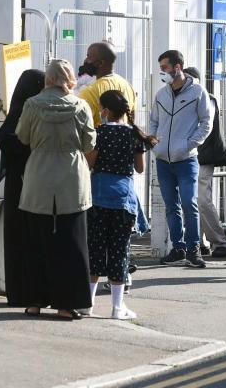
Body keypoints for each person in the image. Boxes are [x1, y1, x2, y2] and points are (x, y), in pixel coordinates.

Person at [16, 59, 96, 320]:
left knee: (36, 242)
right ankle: (66, 305)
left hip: (39, 173)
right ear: (70, 78)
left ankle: (34, 302)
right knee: (71, 244)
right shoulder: (81, 105)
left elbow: (23, 137)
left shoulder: (31, 104)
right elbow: (88, 143)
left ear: (47, 79)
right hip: (71, 177)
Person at [85, 90, 148, 320]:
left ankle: (88, 304)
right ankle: (117, 307)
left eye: (101, 108)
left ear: (107, 111)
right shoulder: (134, 134)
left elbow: (90, 162)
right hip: (123, 199)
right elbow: (139, 168)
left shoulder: (100, 132)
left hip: (98, 196)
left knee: (95, 249)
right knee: (120, 251)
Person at [148, 50, 214, 269]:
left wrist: (188, 145)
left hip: (186, 160)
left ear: (178, 67)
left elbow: (206, 123)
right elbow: (153, 121)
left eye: (165, 67)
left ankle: (194, 248)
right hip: (163, 160)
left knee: (189, 203)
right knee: (171, 206)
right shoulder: (161, 94)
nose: (162, 72)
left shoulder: (198, 92)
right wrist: (155, 144)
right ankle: (178, 247)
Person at [0, 69, 45, 308]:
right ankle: (23, 291)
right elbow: (6, 138)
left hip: (19, 181)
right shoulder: (28, 111)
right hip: (25, 181)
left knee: (19, 238)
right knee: (25, 238)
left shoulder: (21, 109)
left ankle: (20, 291)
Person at [183, 67, 226, 258]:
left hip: (202, 155)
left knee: (202, 200)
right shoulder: (192, 98)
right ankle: (201, 242)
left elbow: (205, 126)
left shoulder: (207, 98)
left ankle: (220, 241)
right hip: (192, 155)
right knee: (193, 200)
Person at [77, 42, 137, 127]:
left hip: (99, 140)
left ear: (101, 63)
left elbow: (81, 126)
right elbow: (131, 120)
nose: (86, 60)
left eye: (88, 56)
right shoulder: (128, 86)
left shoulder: (89, 92)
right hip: (125, 139)